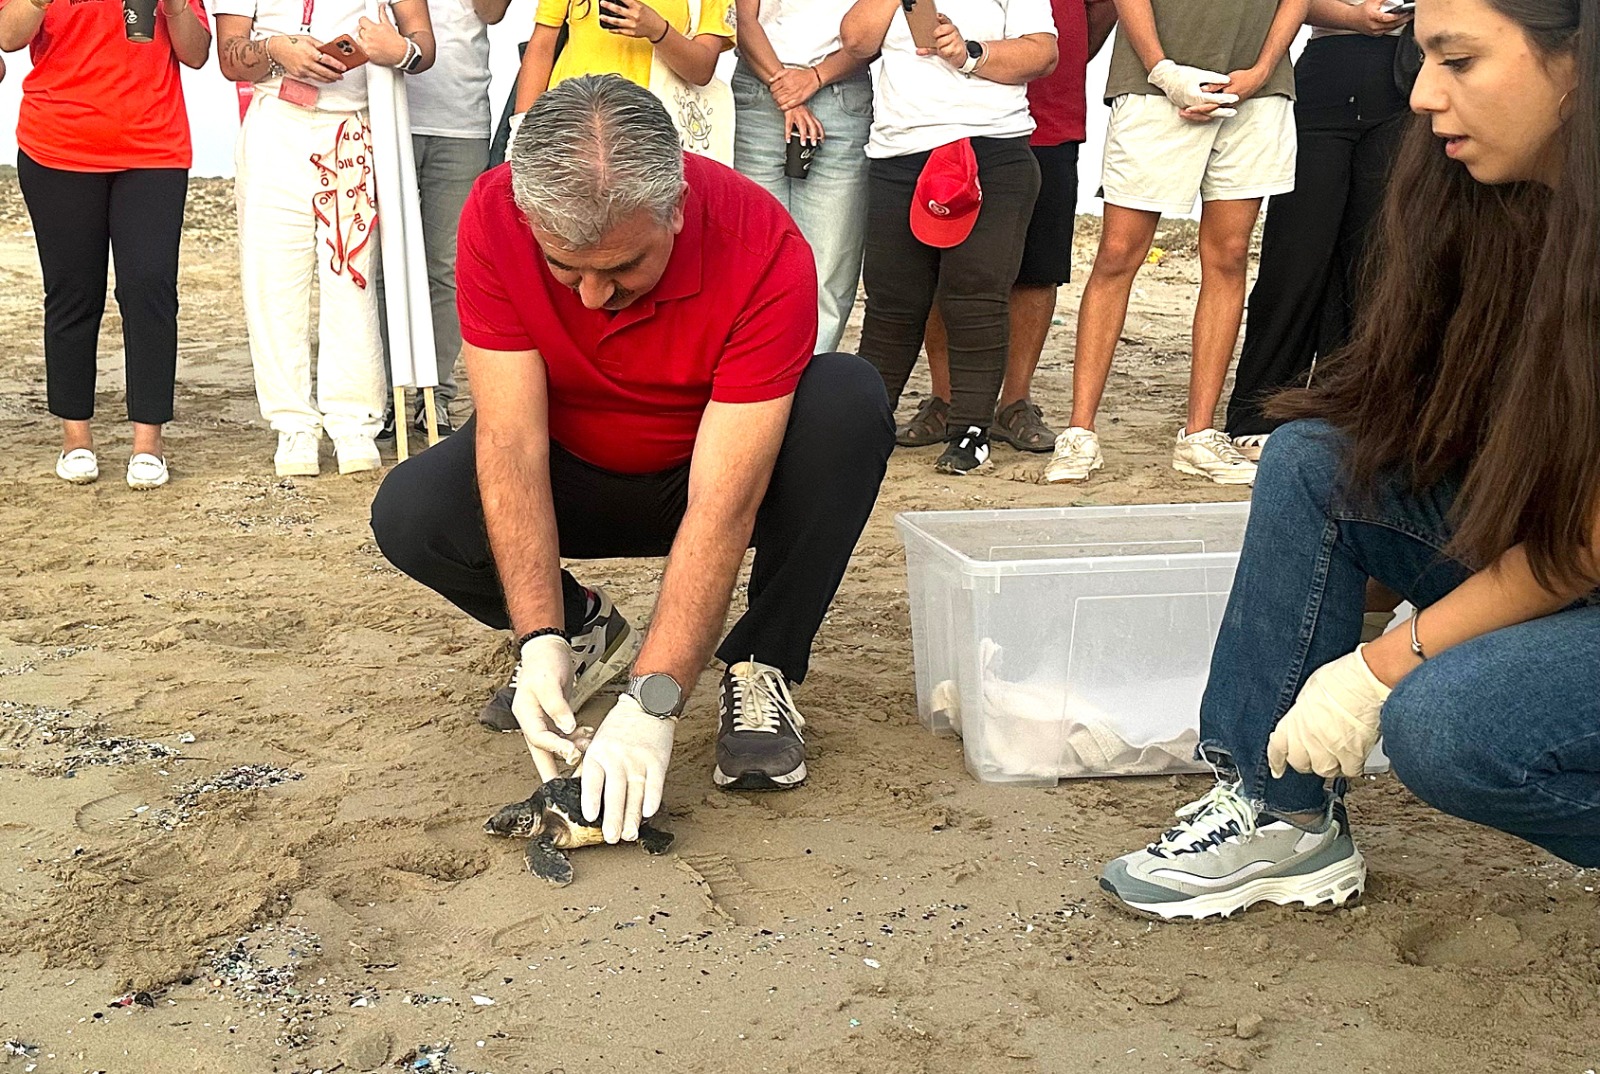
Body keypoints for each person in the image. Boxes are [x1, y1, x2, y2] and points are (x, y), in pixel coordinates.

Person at [1101, 0, 1598, 920]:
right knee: (1314, 460)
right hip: (1560, 555)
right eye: (1421, 59)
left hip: (1578, 557)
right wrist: (1317, 580)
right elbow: (1425, 426)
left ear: (1576, 60)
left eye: (1458, 62)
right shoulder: (1493, 203)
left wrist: (1381, 665)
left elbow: (1582, 546)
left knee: (1445, 726)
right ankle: (1277, 811)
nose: (1422, 96)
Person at [370, 76, 894, 844]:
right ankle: (583, 633)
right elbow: (511, 445)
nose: (590, 297)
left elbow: (723, 504)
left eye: (621, 269)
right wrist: (538, 635)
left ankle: (763, 661)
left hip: (707, 472)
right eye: (566, 268)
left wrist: (655, 700)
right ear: (529, 216)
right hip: (572, 468)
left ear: (676, 207)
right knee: (413, 510)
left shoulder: (762, 247)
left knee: (847, 401)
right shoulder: (494, 213)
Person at [1045, 0, 1304, 486]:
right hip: (1152, 86)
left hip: (1257, 90)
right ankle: (1079, 431)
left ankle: (1199, 434)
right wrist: (1163, 71)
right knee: (1118, 253)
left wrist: (1262, 70)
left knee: (1229, 254)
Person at [216, 0, 436, 478]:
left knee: (352, 280)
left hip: (351, 125)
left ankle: (354, 422)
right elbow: (229, 57)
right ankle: (292, 423)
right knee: (272, 281)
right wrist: (276, 50)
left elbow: (423, 44)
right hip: (276, 122)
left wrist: (399, 51)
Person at [0, 0, 211, 489]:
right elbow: (9, 37)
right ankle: (76, 438)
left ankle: (148, 442)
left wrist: (175, 8)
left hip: (154, 149)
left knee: (149, 287)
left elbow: (197, 53)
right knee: (73, 292)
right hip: (57, 146)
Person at [843, 0, 1059, 475]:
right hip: (899, 148)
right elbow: (855, 41)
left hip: (991, 145)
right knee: (892, 298)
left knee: (975, 294)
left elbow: (1043, 53)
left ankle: (971, 430)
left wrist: (970, 53)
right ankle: (864, 425)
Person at [898, 0, 1119, 453]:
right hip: (951, 113)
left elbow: (1101, 10)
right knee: (945, 256)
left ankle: (1015, 401)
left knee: (1038, 266)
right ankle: (945, 397)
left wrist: (1052, 52)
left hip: (1050, 112)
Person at [1222, 0, 1415, 461]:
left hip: (1406, 77)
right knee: (1296, 253)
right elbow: (1295, 4)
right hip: (1327, 75)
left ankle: (1350, 404)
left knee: (1374, 257)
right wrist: (1355, 18)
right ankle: (1260, 410)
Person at [377, 0, 514, 441]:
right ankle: (382, 391)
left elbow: (491, 12)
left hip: (460, 114)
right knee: (378, 267)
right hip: (378, 109)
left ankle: (433, 391)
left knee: (449, 267)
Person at [731, 0, 872, 355]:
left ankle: (811, 379)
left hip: (840, 92)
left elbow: (873, 32)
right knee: (754, 261)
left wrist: (816, 77)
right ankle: (759, 375)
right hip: (760, 90)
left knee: (830, 267)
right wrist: (788, 93)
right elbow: (743, 18)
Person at [510, 0, 732, 114]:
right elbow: (541, 47)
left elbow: (702, 70)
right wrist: (521, 129)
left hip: (651, 131)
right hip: (572, 118)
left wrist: (658, 31)